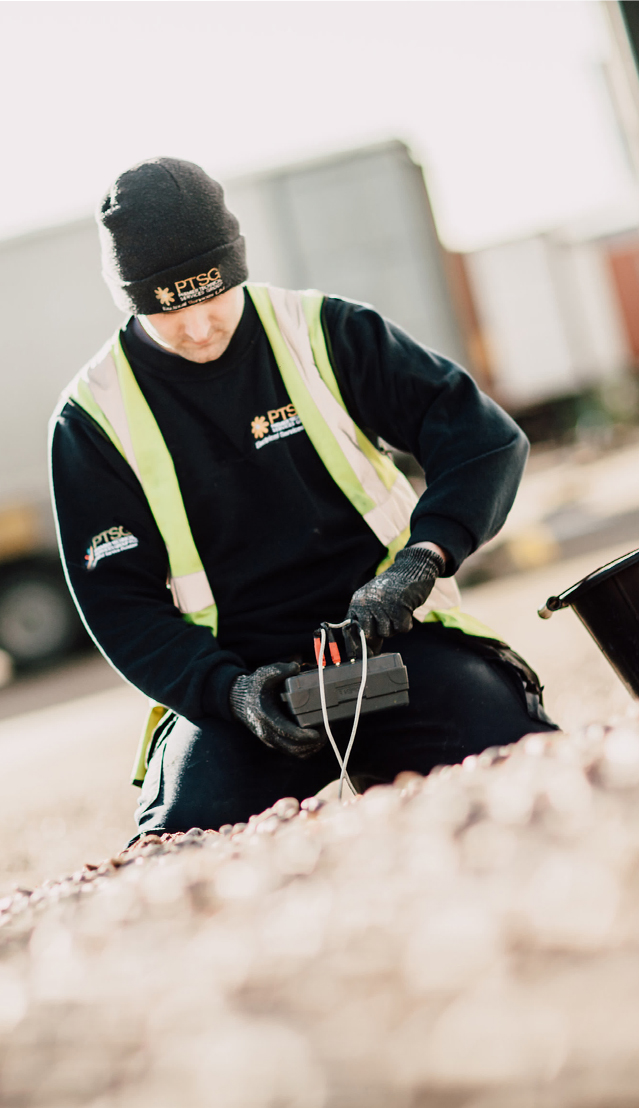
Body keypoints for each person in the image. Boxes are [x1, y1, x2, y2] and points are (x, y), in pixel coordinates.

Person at [49, 157, 555, 839]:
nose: (198, 327)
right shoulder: (92, 418)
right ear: (131, 301)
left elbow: (483, 440)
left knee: (526, 765)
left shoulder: (323, 331)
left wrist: (420, 562)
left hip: (395, 643)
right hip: (239, 692)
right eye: (168, 310)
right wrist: (228, 692)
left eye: (212, 296)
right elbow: (119, 604)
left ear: (237, 264)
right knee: (180, 844)